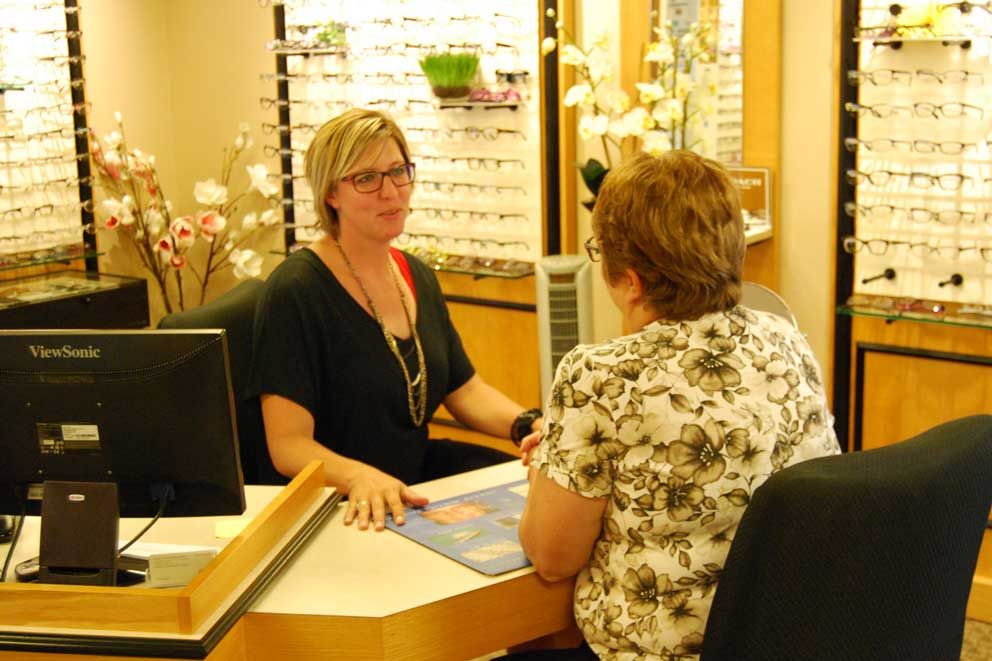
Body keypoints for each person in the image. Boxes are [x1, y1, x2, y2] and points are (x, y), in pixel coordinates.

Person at [514, 150, 840, 659]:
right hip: (786, 636)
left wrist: (545, 470)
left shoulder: (602, 375)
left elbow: (551, 556)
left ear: (634, 281)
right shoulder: (786, 340)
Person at [247, 108, 541, 532]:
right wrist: (357, 476)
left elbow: (465, 389)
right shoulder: (296, 291)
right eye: (366, 178)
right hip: (342, 501)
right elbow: (288, 446)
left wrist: (528, 424)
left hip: (413, 480)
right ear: (331, 194)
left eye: (398, 171)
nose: (391, 191)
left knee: (540, 496)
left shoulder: (414, 273)